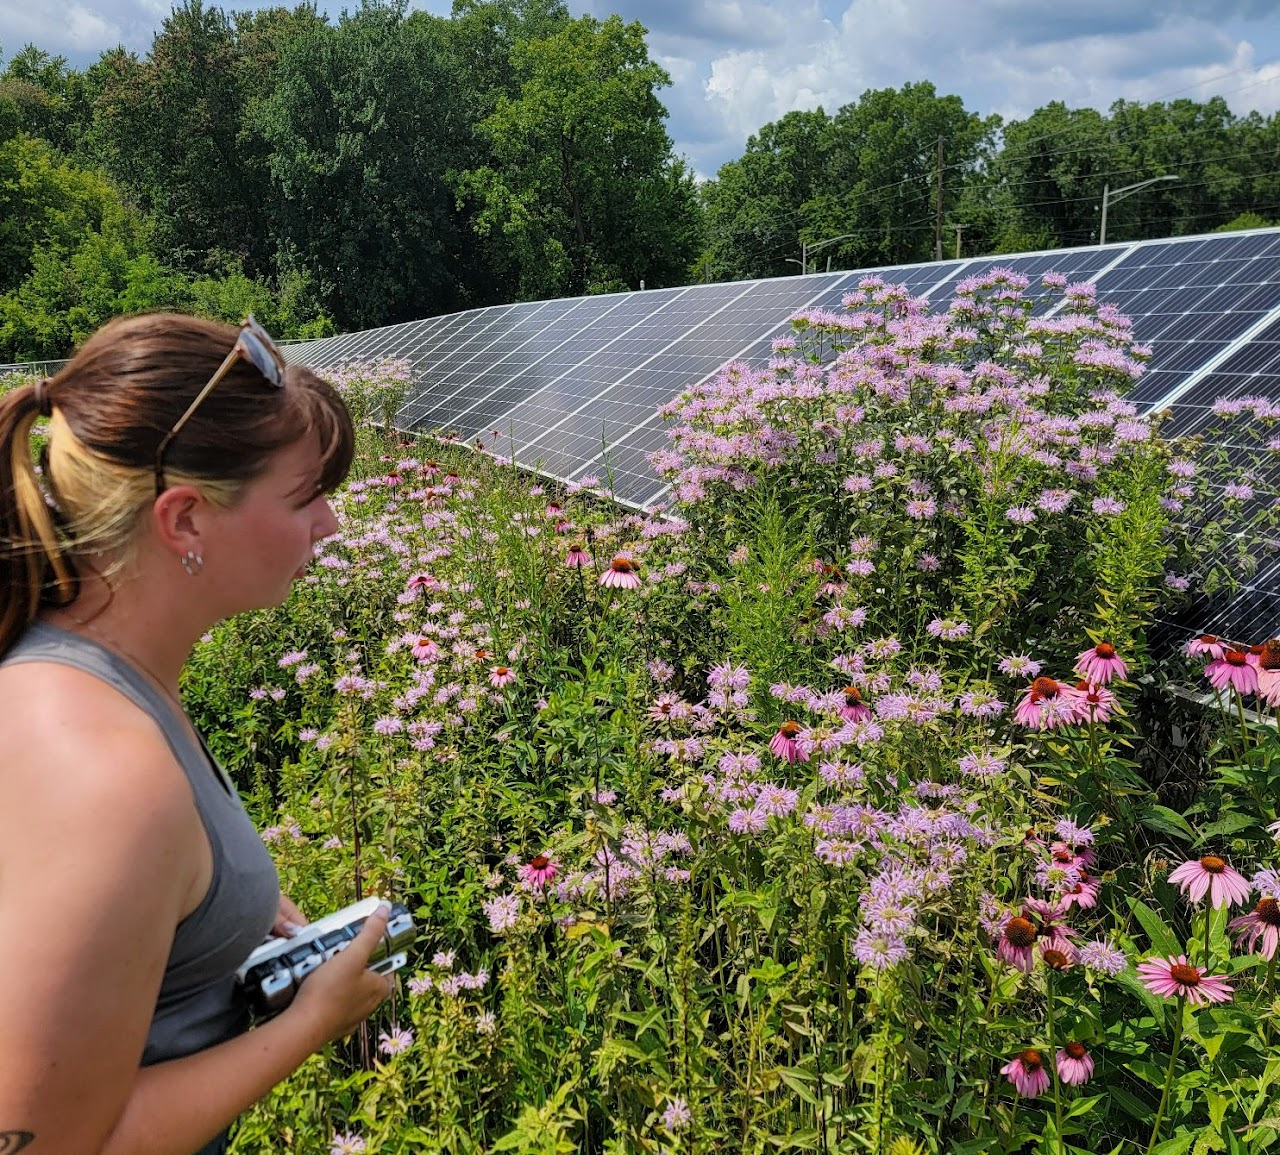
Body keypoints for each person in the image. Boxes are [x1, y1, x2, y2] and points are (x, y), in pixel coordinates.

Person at [0, 314, 394, 1155]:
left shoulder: (99, 674)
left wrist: (217, 915)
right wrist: (310, 1022)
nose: (330, 525)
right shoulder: (106, 773)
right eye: (304, 496)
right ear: (184, 521)